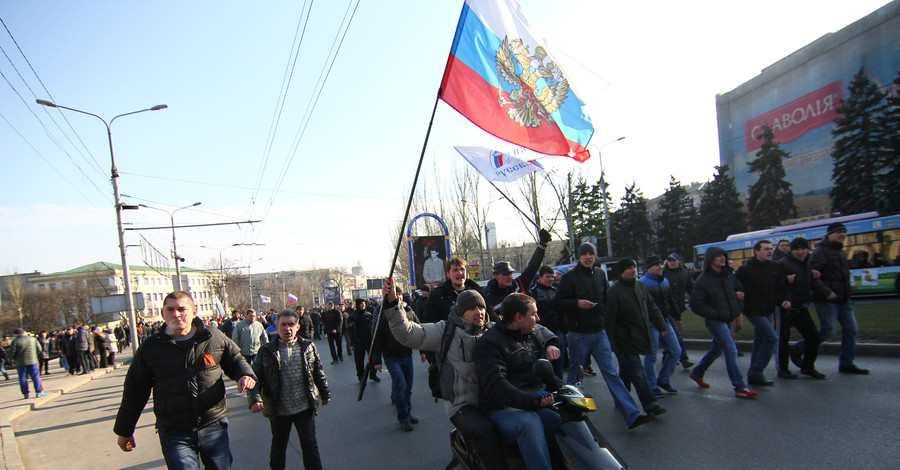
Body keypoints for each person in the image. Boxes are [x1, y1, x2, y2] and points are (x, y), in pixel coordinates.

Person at [114, 291, 256, 469]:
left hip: (213, 423)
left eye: (182, 309)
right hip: (174, 430)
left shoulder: (213, 337)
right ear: (163, 314)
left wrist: (245, 374)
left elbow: (235, 359)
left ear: (194, 312)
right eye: (170, 310)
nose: (176, 314)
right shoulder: (151, 348)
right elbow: (134, 391)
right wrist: (124, 430)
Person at [382, 280, 514, 468]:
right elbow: (408, 333)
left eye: (481, 307)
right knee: (484, 431)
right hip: (462, 405)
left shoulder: (492, 330)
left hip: (493, 400)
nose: (479, 312)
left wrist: (549, 341)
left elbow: (524, 329)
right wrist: (392, 302)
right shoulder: (445, 330)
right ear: (460, 311)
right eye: (472, 308)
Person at [554, 242, 650, 429]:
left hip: (599, 331)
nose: (588, 257)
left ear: (595, 255)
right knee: (575, 374)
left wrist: (608, 321)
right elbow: (558, 303)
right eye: (585, 254)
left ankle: (632, 414)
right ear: (579, 257)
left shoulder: (600, 274)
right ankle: (570, 414)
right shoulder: (570, 278)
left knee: (611, 373)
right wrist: (577, 303)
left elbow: (606, 300)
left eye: (591, 254)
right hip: (578, 333)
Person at [475, 293, 563, 470]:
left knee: (564, 418)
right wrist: (530, 400)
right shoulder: (490, 343)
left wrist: (562, 388)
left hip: (532, 402)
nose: (538, 319)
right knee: (529, 423)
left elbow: (541, 370)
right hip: (501, 408)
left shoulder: (529, 336)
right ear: (519, 317)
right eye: (534, 314)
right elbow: (496, 385)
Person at [248, 309, 330, 470]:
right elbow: (254, 378)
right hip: (279, 410)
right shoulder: (266, 351)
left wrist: (325, 392)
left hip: (304, 407)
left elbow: (317, 371)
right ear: (276, 327)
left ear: (297, 327)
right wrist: (254, 399)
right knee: (278, 449)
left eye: (291, 324)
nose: (287, 329)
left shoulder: (308, 346)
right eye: (283, 325)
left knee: (310, 448)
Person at [794, 223, 869, 374]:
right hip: (826, 299)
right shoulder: (821, 252)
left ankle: (847, 362)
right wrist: (826, 292)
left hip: (844, 299)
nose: (842, 235)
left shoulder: (840, 252)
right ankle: (796, 349)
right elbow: (813, 276)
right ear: (829, 234)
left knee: (851, 330)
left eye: (844, 232)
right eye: (839, 232)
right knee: (828, 331)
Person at [689, 247, 758, 399]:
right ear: (710, 259)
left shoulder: (727, 275)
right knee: (731, 350)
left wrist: (738, 302)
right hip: (716, 321)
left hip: (728, 318)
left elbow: (739, 290)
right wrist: (716, 314)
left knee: (716, 349)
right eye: (718, 256)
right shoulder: (703, 280)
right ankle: (739, 387)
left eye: (723, 255)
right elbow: (696, 305)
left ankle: (697, 372)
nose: (722, 258)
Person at [607, 259, 668, 416]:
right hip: (624, 339)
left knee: (627, 370)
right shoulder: (614, 292)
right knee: (637, 370)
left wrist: (661, 325)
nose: (632, 270)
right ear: (621, 272)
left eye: (633, 267)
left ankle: (622, 399)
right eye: (628, 268)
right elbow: (609, 320)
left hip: (638, 335)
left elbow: (652, 308)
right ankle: (650, 404)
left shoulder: (641, 287)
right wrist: (612, 344)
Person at [735, 240, 790, 385]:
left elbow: (781, 287)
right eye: (766, 249)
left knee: (760, 341)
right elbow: (734, 285)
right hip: (752, 310)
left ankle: (753, 374)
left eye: (771, 249)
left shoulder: (775, 267)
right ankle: (757, 371)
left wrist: (785, 299)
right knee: (772, 338)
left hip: (768, 309)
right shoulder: (746, 269)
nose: (770, 251)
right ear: (757, 252)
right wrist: (738, 294)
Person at [372, 286, 421, 432]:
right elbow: (377, 337)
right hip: (391, 357)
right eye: (395, 294)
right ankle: (404, 418)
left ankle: (408, 411)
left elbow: (419, 329)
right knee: (401, 385)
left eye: (399, 294)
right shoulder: (382, 313)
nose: (398, 297)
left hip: (407, 355)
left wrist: (424, 351)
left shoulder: (408, 310)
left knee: (408, 387)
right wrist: (377, 360)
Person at [777, 238, 827, 379]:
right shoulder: (783, 264)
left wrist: (815, 277)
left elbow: (809, 282)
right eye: (797, 250)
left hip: (800, 305)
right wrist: (786, 281)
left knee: (813, 336)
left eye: (803, 249)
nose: (800, 252)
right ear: (791, 251)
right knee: (783, 339)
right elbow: (774, 283)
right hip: (786, 307)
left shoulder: (808, 263)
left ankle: (808, 367)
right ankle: (783, 368)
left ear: (807, 249)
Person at [638, 256, 683, 395]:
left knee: (676, 351)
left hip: (665, 321)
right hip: (651, 324)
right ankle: (651, 387)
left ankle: (664, 379)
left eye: (660, 264)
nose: (660, 267)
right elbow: (640, 307)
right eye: (656, 265)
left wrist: (677, 317)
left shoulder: (664, 281)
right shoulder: (642, 284)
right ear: (648, 268)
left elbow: (670, 301)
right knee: (651, 357)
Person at [482, 229, 551, 313]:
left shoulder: (518, 285)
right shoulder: (489, 299)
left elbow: (532, 268)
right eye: (505, 274)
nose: (509, 277)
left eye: (510, 273)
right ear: (495, 276)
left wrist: (542, 245)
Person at [528, 265, 567, 379]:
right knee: (546, 367)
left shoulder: (556, 292)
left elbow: (562, 312)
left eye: (552, 277)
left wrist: (564, 330)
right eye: (547, 277)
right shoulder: (532, 293)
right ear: (540, 278)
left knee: (559, 366)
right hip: (542, 335)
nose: (550, 279)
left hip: (557, 333)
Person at [423, 257, 484, 324]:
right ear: (448, 274)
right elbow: (429, 322)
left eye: (462, 269)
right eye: (455, 270)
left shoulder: (477, 292)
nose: (460, 273)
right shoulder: (437, 295)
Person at [662, 253, 694, 369]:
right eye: (669, 261)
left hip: (678, 307)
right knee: (676, 333)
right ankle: (684, 358)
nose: (671, 263)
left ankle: (668, 355)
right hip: (667, 308)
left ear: (678, 261)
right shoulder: (664, 274)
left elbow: (690, 288)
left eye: (673, 260)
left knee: (671, 333)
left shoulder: (684, 273)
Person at [9, 329, 45, 399]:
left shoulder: (15, 341)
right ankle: (38, 392)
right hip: (33, 361)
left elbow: (12, 353)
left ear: (17, 334)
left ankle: (26, 394)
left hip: (20, 362)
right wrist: (34, 356)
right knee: (35, 376)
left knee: (22, 378)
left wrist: (15, 359)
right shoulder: (33, 339)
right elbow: (39, 349)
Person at [350, 299, 378, 383]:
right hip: (358, 342)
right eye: (361, 304)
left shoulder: (368, 315)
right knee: (359, 360)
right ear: (358, 305)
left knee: (372, 359)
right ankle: (361, 377)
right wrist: (354, 339)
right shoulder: (354, 315)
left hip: (369, 341)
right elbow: (350, 329)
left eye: (364, 304)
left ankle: (373, 374)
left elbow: (373, 327)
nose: (363, 305)